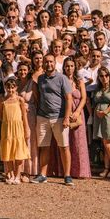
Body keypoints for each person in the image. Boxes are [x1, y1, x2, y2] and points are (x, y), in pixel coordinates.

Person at [31, 53, 74, 186]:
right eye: (46, 62)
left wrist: (67, 117)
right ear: (43, 63)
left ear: (55, 63)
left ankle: (67, 175)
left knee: (64, 147)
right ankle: (43, 174)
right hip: (43, 116)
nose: (49, 64)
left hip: (59, 117)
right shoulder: (41, 79)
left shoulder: (62, 78)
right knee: (44, 147)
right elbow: (38, 96)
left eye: (51, 62)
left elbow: (68, 98)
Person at [47, 57, 92, 179]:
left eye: (71, 66)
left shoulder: (79, 81)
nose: (69, 68)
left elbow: (83, 98)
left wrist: (77, 112)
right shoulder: (60, 80)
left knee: (78, 143)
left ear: (75, 67)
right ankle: (65, 171)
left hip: (77, 112)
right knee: (65, 143)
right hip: (63, 112)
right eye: (67, 66)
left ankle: (80, 171)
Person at [0, 77, 30, 184]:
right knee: (9, 152)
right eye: (8, 88)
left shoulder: (20, 100)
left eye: (13, 88)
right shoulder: (3, 100)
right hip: (7, 128)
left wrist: (26, 129)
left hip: (18, 128)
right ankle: (11, 174)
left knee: (18, 152)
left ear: (16, 88)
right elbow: (0, 116)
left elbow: (24, 116)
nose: (10, 90)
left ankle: (18, 175)